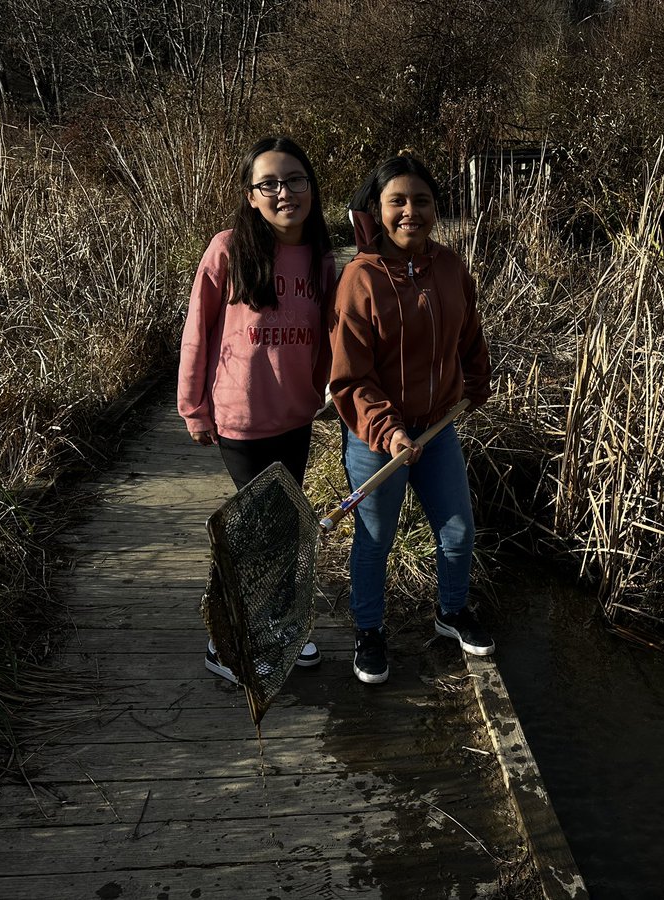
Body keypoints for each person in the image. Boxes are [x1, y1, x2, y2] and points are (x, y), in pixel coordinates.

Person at [329, 153, 493, 685]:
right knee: (375, 539)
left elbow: (469, 336)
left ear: (434, 207)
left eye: (421, 200)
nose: (410, 211)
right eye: (397, 201)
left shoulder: (450, 267)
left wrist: (476, 382)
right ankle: (370, 631)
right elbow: (349, 377)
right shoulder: (360, 278)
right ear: (377, 211)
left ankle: (450, 612)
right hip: (378, 438)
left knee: (458, 531)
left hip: (439, 429)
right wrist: (389, 429)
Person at [178, 136, 335, 681]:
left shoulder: (322, 258)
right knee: (258, 528)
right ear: (250, 196)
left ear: (312, 187)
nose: (283, 192)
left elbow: (331, 336)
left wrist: (330, 393)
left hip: (297, 415)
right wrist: (193, 408)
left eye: (294, 179)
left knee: (285, 522)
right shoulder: (227, 249)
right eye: (268, 183)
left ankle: (282, 625)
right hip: (241, 418)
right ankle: (225, 646)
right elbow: (197, 331)